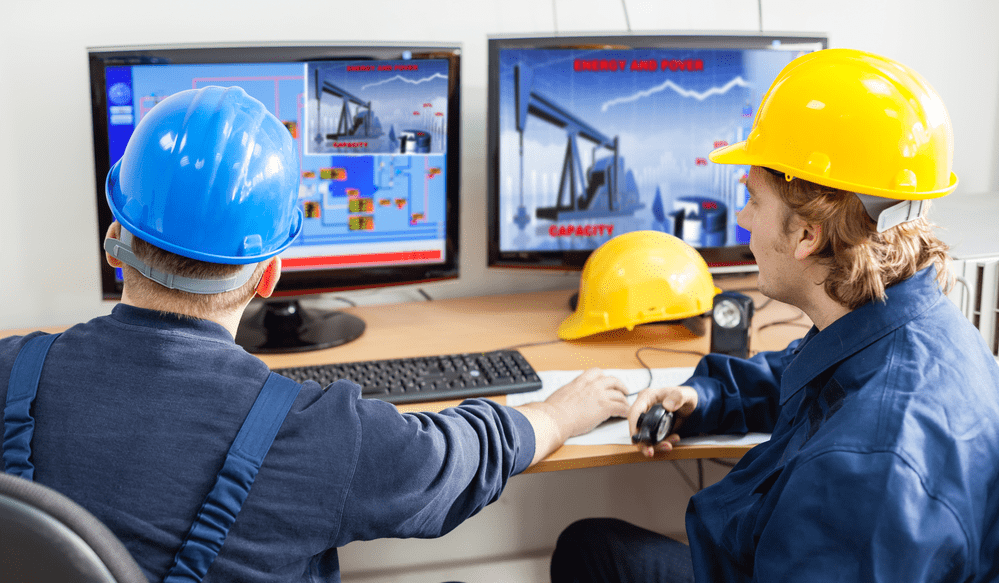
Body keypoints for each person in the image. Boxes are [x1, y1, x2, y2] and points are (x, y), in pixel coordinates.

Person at [0, 85, 630, 582]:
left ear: (115, 241)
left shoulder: (11, 373)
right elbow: (452, 461)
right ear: (270, 273)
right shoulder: (316, 433)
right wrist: (558, 413)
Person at [551, 48, 999, 582]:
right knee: (592, 546)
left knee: (592, 555)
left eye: (753, 200)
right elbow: (817, 376)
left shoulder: (866, 472)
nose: (740, 218)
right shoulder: (906, 323)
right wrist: (703, 397)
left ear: (808, 234)